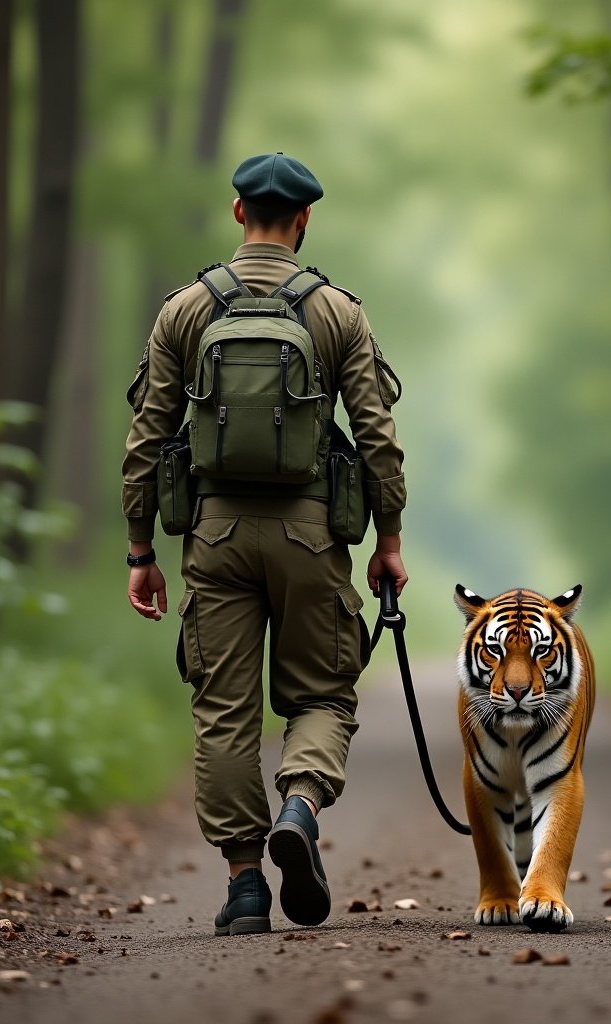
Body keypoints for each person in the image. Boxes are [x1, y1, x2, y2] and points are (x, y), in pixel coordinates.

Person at [121, 152, 408, 935]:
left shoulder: (186, 308)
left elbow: (146, 438)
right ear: (305, 219)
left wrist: (141, 551)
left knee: (223, 712)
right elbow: (378, 437)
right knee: (321, 694)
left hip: (213, 536)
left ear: (239, 213)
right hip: (312, 535)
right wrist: (388, 540)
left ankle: (246, 886)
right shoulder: (336, 312)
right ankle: (301, 806)